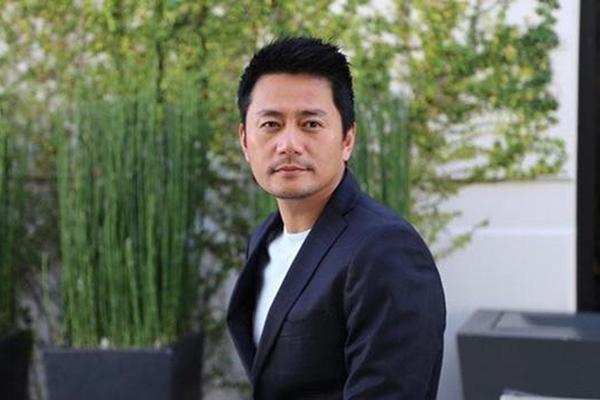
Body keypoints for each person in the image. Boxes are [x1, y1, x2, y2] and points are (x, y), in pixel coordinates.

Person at [226, 37, 446, 400]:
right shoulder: (265, 238)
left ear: (347, 140)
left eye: (311, 124)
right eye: (271, 124)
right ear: (245, 141)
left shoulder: (384, 249)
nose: (289, 144)